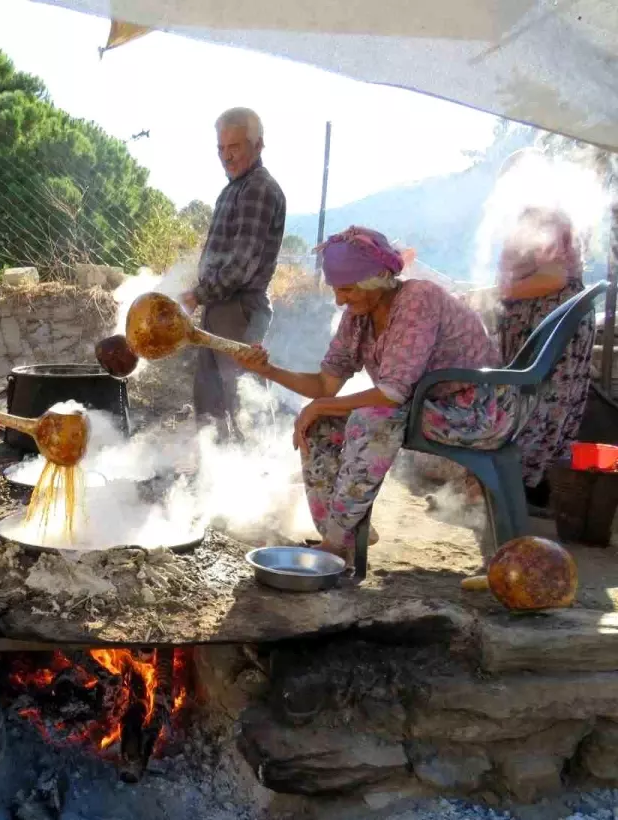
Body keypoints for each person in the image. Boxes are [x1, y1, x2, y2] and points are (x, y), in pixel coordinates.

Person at [231, 226, 525, 560]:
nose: (340, 299)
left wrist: (322, 404)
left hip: (480, 410)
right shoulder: (358, 316)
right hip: (427, 406)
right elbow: (325, 386)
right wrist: (268, 370)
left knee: (373, 417)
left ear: (378, 279)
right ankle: (344, 531)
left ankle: (336, 542)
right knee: (321, 422)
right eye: (336, 290)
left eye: (347, 289)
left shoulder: (418, 299)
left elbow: (391, 395)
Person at [181, 107, 286, 439]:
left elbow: (242, 266)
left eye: (235, 147)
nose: (227, 157)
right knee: (211, 400)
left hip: (239, 310)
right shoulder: (234, 189)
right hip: (222, 307)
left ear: (258, 145)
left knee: (242, 403)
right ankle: (218, 475)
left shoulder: (258, 189)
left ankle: (257, 475)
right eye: (221, 149)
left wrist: (197, 295)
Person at [495, 204, 593, 512]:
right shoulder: (534, 220)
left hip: (550, 326)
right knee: (541, 405)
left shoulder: (545, 219)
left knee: (541, 405)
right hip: (543, 326)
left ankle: (524, 487)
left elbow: (553, 277)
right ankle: (530, 488)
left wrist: (497, 292)